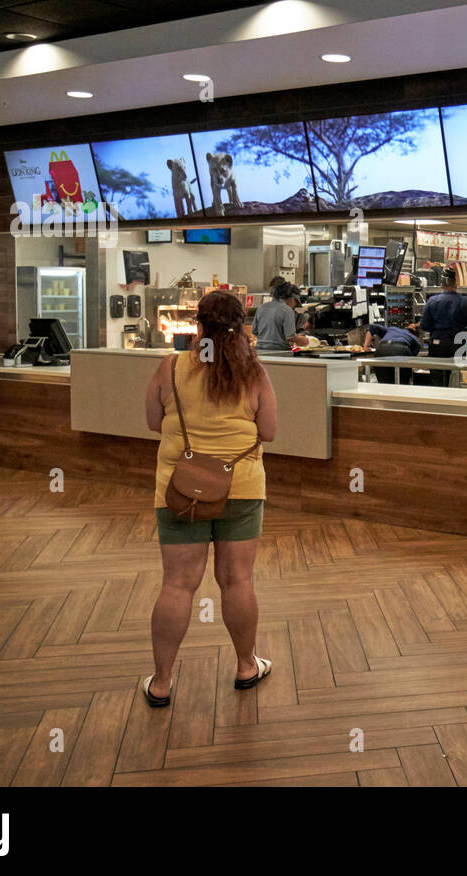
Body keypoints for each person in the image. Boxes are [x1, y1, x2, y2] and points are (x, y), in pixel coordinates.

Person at [143, 291, 277, 706]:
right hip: (240, 486)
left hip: (181, 489)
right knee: (237, 580)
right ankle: (245, 666)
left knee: (178, 584)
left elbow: (151, 421)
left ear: (198, 326)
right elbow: (269, 432)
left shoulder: (171, 366)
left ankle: (162, 682)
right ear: (243, 328)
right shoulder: (254, 373)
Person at [420, 267, 467, 387]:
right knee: (457, 378)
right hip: (458, 345)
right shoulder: (464, 301)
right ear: (456, 283)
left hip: (437, 345)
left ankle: (440, 402)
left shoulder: (432, 301)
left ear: (441, 285)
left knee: (437, 378)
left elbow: (424, 325)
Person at [252, 277, 308, 350]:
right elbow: (290, 337)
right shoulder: (287, 310)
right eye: (295, 302)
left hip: (259, 351)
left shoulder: (261, 307)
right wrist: (305, 340)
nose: (294, 306)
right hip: (279, 352)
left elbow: (254, 331)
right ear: (291, 298)